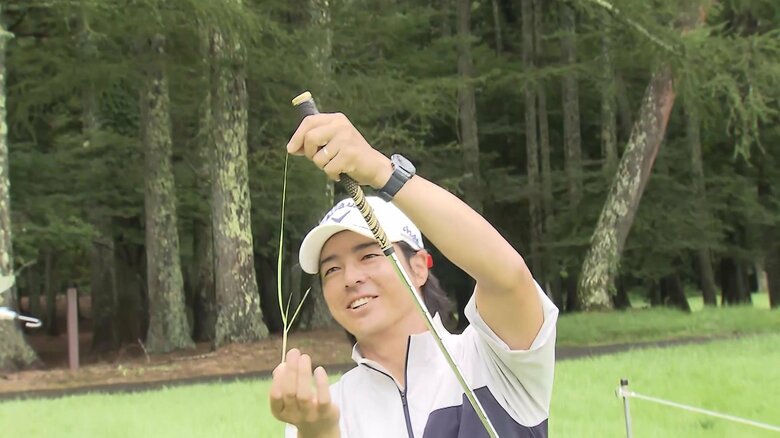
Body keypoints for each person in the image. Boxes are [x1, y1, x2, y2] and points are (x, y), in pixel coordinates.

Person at [270, 111, 559, 438]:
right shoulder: (326, 411)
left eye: (368, 255)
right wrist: (318, 433)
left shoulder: (496, 361)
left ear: (420, 266)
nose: (350, 278)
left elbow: (507, 277)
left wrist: (381, 171)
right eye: (331, 269)